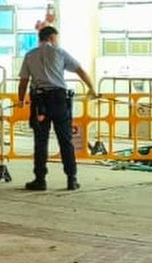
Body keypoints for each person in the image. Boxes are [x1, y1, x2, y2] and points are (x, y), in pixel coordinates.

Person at [17, 25, 98, 191]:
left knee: (41, 141)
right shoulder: (59, 53)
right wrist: (91, 88)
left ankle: (40, 179)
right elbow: (80, 70)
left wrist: (20, 100)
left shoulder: (29, 55)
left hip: (40, 102)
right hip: (60, 100)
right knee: (65, 140)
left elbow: (23, 81)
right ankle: (71, 179)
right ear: (52, 38)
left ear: (40, 38)